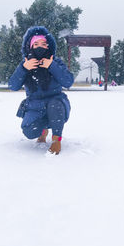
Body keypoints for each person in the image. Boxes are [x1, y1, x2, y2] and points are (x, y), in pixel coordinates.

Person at [8, 26, 74, 155]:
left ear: (49, 46)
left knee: (54, 105)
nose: (40, 47)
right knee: (29, 130)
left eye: (44, 44)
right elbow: (13, 86)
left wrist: (51, 66)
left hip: (56, 103)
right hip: (35, 105)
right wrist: (23, 68)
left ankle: (56, 139)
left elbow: (68, 82)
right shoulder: (26, 63)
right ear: (30, 46)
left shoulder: (55, 61)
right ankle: (43, 130)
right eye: (36, 43)